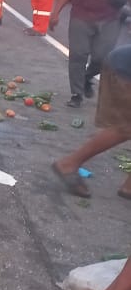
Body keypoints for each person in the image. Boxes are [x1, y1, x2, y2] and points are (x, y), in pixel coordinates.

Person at [49, 0, 131, 107]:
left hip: (110, 19)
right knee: (78, 55)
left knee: (103, 58)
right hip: (82, 16)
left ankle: (87, 76)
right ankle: (76, 94)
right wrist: (55, 13)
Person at [51, 44, 131, 202]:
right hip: (124, 70)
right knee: (126, 127)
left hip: (120, 64)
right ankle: (68, 164)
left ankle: (129, 187)